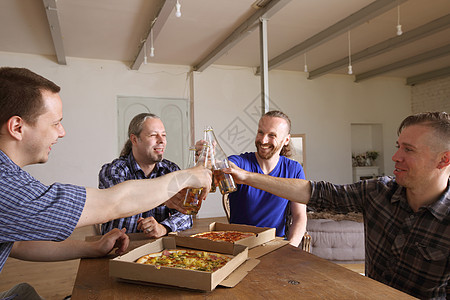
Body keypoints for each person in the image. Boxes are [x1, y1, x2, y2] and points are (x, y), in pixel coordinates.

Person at [0, 67, 211, 297]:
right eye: (55, 123)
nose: (62, 132)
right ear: (17, 127)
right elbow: (110, 204)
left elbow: (17, 243)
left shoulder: (12, 177)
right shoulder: (6, 186)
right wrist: (188, 175)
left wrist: (92, 247)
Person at [225, 111, 450, 299]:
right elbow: (320, 193)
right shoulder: (377, 192)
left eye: (408, 149)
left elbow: (300, 215)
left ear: (443, 159)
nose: (395, 156)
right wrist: (245, 176)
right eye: (398, 146)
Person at [199, 111, 307, 246]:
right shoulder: (240, 162)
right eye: (261, 132)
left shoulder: (294, 169)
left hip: (275, 245)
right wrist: (208, 159)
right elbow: (226, 165)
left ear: (286, 140)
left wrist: (290, 248)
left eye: (272, 135)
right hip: (239, 244)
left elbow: (299, 216)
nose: (263, 140)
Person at [99, 113, 192, 238]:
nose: (161, 141)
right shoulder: (114, 170)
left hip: (157, 250)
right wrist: (164, 195)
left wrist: (163, 227)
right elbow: (124, 201)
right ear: (134, 139)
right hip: (117, 249)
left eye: (163, 135)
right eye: (153, 135)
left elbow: (187, 214)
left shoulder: (171, 170)